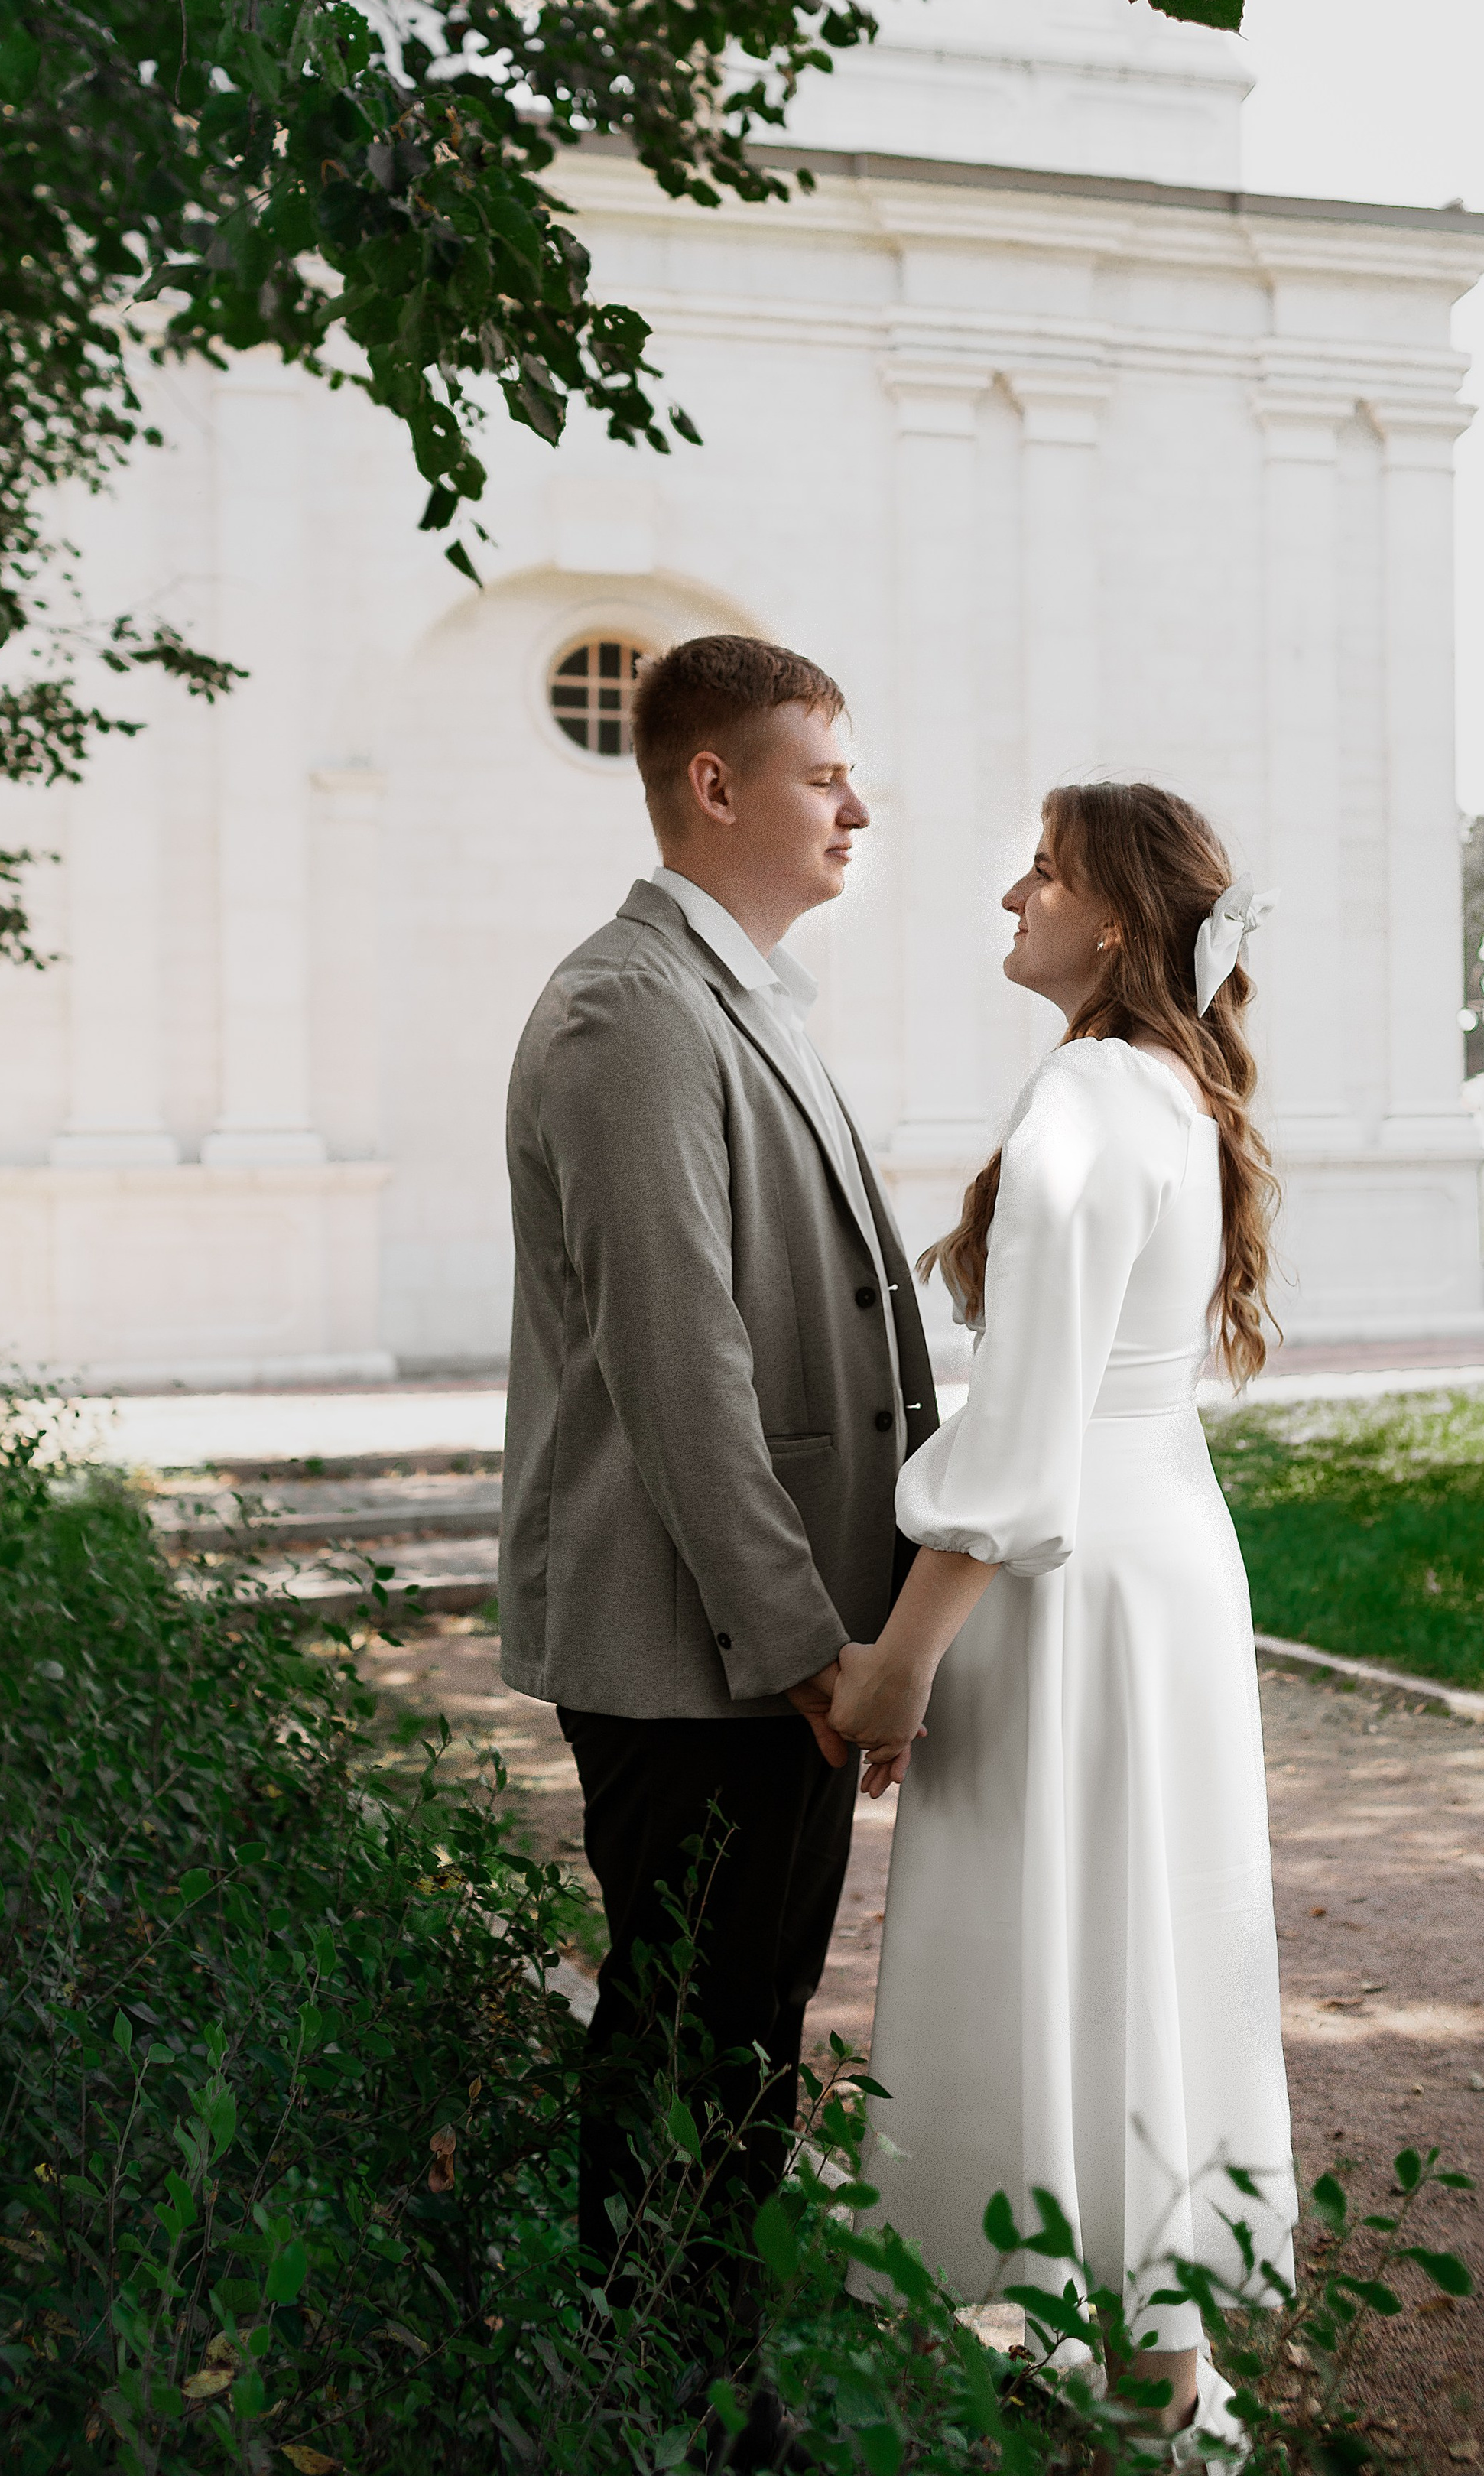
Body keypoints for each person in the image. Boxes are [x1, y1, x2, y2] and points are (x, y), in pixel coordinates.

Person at [828, 782, 1295, 2445]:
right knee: (1145, 1920)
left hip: (1072, 1568)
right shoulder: (1169, 1090)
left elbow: (1022, 1432)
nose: (1010, 890)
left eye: (1042, 866)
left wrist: (895, 1664)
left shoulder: (1090, 1096)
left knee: (1059, 1910)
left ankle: (1106, 2339)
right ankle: (1148, 2347)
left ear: (1111, 918)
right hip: (1162, 1549)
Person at [500, 633, 937, 2303]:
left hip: (767, 1657)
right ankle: (661, 2399)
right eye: (824, 775)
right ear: (712, 784)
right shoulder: (631, 1011)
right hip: (705, 1662)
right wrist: (804, 1648)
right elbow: (681, 1369)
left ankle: (692, 2382)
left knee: (738, 2055)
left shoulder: (738, 997)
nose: (857, 806)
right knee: (696, 2055)